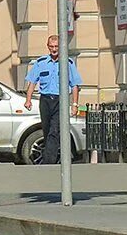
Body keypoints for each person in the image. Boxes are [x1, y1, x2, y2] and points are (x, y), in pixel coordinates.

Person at [23, 34, 82, 164]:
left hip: (60, 100)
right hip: (45, 100)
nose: (54, 49)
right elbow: (32, 82)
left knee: (54, 131)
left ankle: (48, 162)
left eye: (56, 46)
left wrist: (75, 104)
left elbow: (75, 85)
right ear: (48, 47)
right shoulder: (41, 63)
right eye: (51, 47)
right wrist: (28, 100)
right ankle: (52, 156)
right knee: (47, 129)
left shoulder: (68, 63)